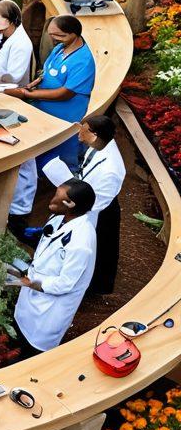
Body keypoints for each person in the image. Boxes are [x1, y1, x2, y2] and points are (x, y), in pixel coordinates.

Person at [6, 15, 97, 229]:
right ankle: (41, 187)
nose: (54, 39)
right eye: (52, 34)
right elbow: (46, 72)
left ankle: (69, 204)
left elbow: (65, 93)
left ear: (74, 34)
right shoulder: (59, 49)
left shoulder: (83, 60)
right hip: (43, 113)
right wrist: (36, 82)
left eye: (59, 35)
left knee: (63, 158)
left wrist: (30, 95)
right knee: (41, 155)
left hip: (64, 117)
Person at [14, 180, 98, 352]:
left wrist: (30, 283)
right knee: (18, 335)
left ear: (70, 204)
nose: (51, 200)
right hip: (31, 299)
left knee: (31, 351)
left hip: (48, 311)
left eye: (57, 197)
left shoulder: (81, 243)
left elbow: (65, 284)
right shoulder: (60, 218)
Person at [73, 115, 125, 295]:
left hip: (100, 212)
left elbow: (97, 203)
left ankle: (93, 288)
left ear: (94, 134)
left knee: (101, 250)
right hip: (90, 199)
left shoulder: (111, 170)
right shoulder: (99, 145)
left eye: (83, 129)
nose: (78, 131)